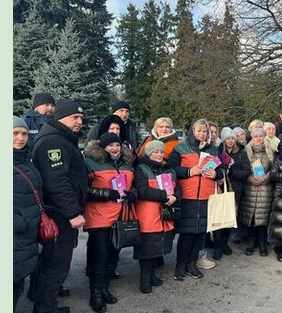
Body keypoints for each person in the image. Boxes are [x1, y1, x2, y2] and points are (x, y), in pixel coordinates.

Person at [31, 99, 89, 313]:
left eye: (81, 118)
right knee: (56, 263)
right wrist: (74, 213)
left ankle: (40, 296)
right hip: (59, 215)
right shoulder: (53, 142)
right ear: (60, 118)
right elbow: (56, 181)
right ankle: (46, 307)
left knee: (51, 260)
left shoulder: (61, 138)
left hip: (59, 212)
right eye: (75, 117)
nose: (79, 121)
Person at [83, 133, 134, 311]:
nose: (114, 148)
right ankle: (95, 294)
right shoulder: (90, 162)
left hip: (120, 215)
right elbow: (83, 188)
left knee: (113, 255)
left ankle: (104, 288)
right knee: (100, 256)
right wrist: (106, 194)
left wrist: (133, 193)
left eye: (117, 145)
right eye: (110, 145)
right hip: (98, 216)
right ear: (102, 147)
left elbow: (132, 185)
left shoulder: (127, 164)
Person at [168, 119, 223, 280]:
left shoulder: (213, 150)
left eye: (205, 131)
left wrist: (216, 174)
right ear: (193, 131)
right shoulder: (180, 148)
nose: (202, 134)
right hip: (188, 196)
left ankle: (192, 263)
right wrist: (189, 171)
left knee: (200, 232)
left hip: (206, 197)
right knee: (187, 233)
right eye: (199, 131)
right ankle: (181, 264)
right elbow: (171, 169)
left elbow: (221, 169)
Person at [133, 140, 178, 292]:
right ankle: (144, 279)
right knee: (147, 249)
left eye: (161, 152)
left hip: (164, 215)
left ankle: (152, 275)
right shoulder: (141, 168)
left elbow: (178, 188)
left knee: (158, 247)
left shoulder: (169, 169)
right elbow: (142, 191)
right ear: (148, 153)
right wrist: (165, 195)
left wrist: (175, 197)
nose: (159, 155)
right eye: (155, 152)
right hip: (148, 215)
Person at [13, 117, 42, 312]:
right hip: (16, 233)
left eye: (23, 133)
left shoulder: (26, 161)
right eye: (14, 133)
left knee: (16, 283)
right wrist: (19, 223)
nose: (20, 138)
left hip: (26, 237)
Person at [215, 127, 251, 260]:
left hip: (235, 189)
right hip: (219, 188)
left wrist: (232, 172)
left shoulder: (241, 153)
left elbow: (246, 171)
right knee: (218, 218)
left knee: (230, 218)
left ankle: (225, 243)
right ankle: (218, 245)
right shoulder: (218, 152)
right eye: (227, 139)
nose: (230, 141)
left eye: (232, 138)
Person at [240, 128, 275, 256]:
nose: (258, 138)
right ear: (252, 138)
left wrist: (265, 178)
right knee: (251, 218)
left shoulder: (270, 152)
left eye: (261, 136)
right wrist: (249, 178)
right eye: (256, 136)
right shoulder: (246, 153)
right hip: (250, 188)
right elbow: (243, 169)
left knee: (263, 218)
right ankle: (251, 243)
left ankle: (262, 244)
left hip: (265, 189)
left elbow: (275, 170)